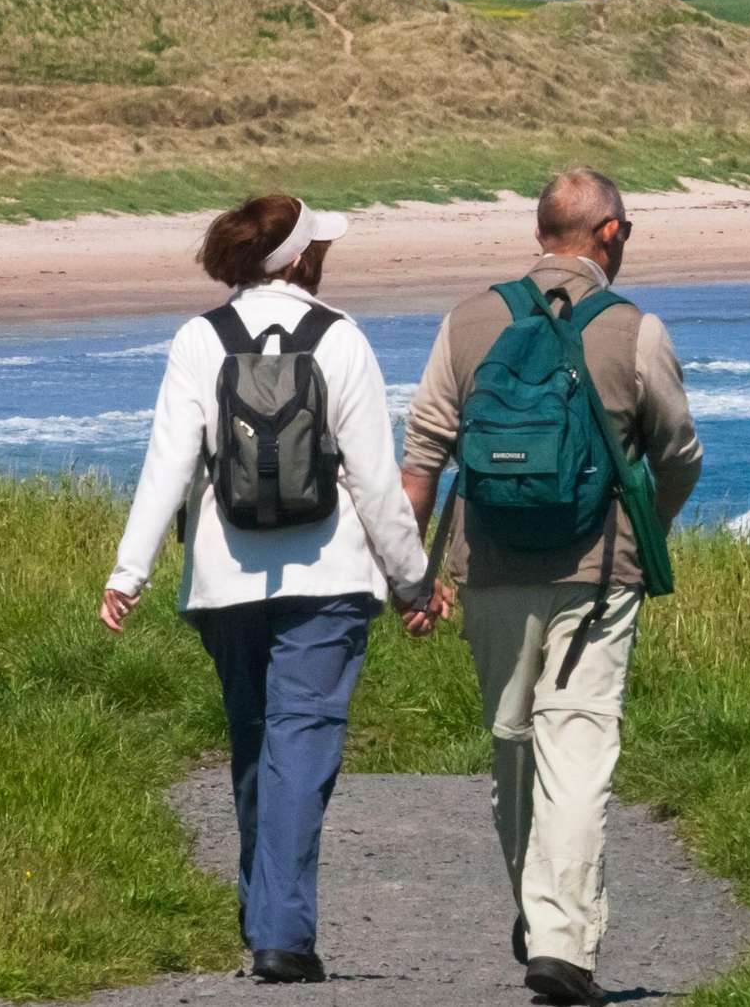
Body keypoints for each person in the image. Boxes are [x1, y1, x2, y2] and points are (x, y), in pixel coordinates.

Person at [100, 195, 434, 985]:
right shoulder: (342, 338)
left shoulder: (199, 339)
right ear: (299, 261)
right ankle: (281, 933)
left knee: (257, 744)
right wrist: (413, 581)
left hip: (225, 580)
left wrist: (128, 572)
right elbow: (375, 480)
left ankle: (264, 919)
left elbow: (169, 465)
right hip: (329, 578)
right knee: (301, 743)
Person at [398, 168, 702, 1006]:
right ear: (609, 236)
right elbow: (679, 453)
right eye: (626, 230)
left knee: (513, 744)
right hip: (598, 576)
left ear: (540, 234)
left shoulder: (467, 320)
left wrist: (413, 574)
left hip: (487, 567)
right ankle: (561, 939)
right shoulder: (632, 330)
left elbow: (423, 455)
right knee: (579, 745)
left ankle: (541, 924)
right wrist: (644, 533)